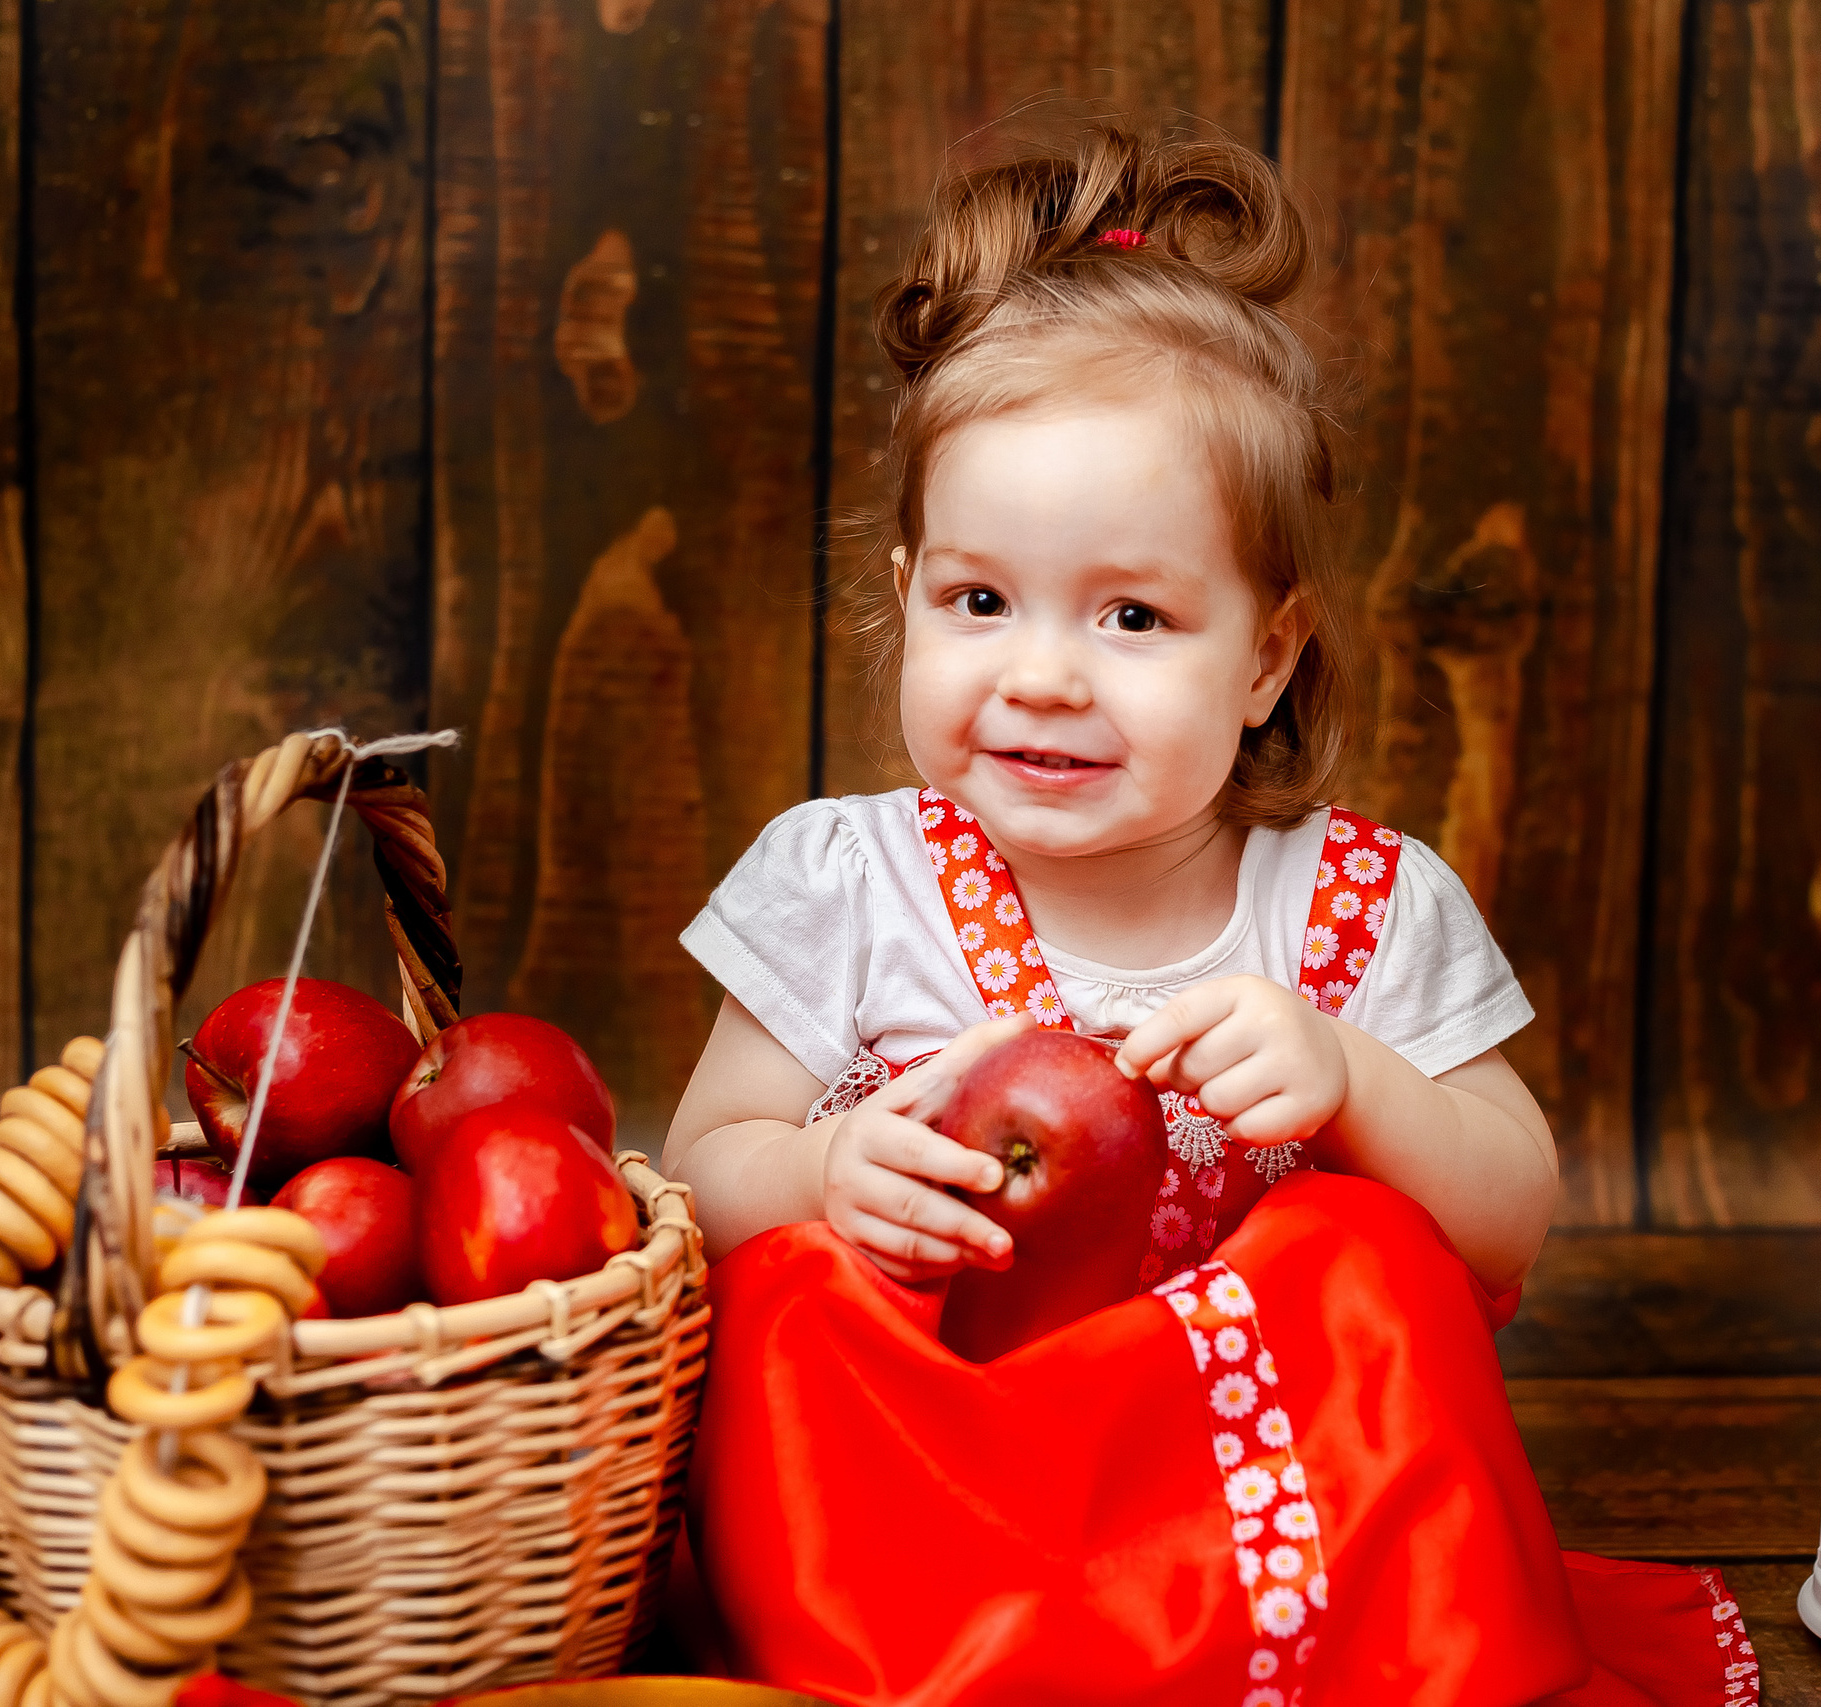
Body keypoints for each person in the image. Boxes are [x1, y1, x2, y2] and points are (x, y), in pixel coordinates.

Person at [663, 127, 1756, 1706]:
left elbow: (1511, 1212)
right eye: (981, 601)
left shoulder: (1352, 903)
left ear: (1266, 657)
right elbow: (696, 1177)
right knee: (787, 1285)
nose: (1042, 674)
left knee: (1366, 1237)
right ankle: (925, 1664)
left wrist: (1355, 1083)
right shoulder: (844, 881)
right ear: (907, 594)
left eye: (1134, 616)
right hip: (930, 1492)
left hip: (1246, 1508)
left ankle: (1308, 1654)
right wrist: (828, 1172)